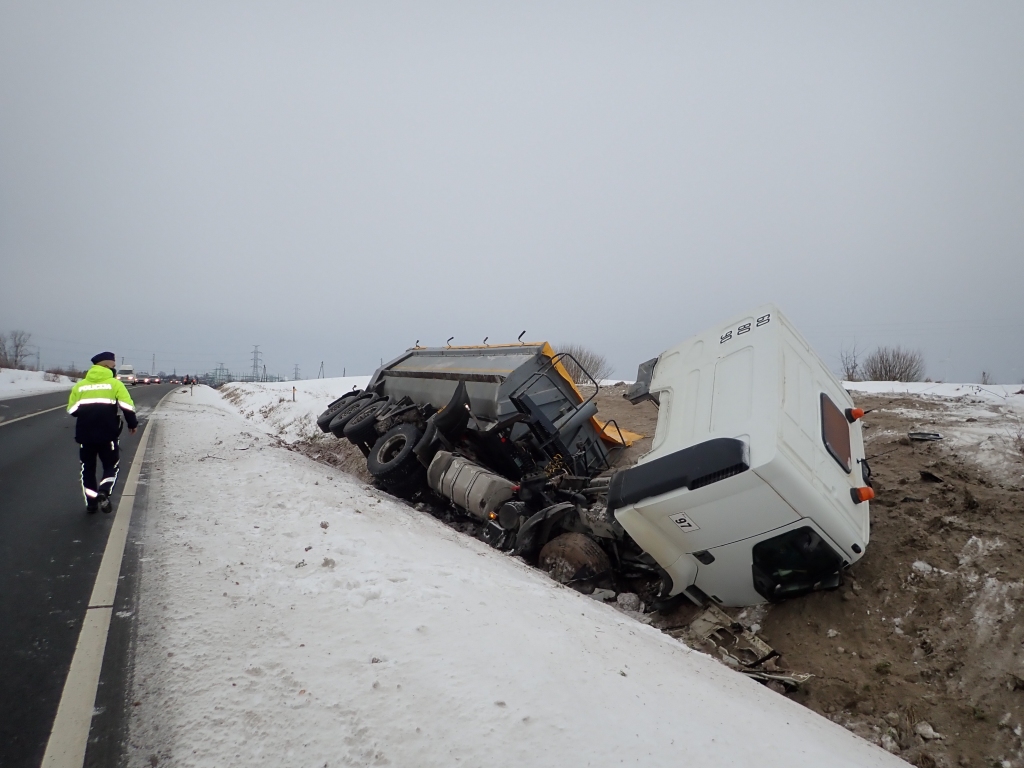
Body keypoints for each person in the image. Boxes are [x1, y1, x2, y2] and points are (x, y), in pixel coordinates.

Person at [67, 352, 138, 513]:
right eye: (113, 367)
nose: (114, 370)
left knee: (88, 469)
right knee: (110, 466)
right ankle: (104, 491)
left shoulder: (80, 385)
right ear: (106, 366)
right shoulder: (115, 384)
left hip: (85, 436)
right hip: (108, 435)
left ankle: (91, 504)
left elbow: (72, 410)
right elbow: (127, 406)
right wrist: (132, 423)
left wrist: (88, 410)